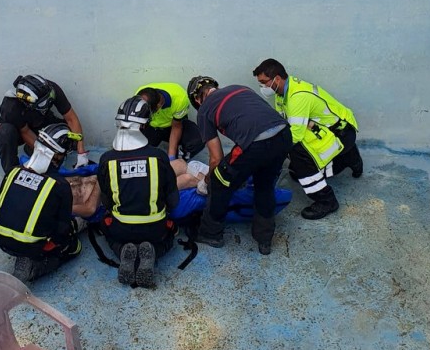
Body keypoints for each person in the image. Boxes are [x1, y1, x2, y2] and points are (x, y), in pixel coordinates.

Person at [187, 75, 292, 255]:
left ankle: (210, 233)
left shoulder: (204, 110)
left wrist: (207, 180)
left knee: (219, 182)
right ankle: (264, 240)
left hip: (254, 144)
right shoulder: (240, 87)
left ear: (197, 99)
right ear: (216, 86)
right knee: (264, 185)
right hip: (283, 136)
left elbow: (216, 158)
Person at [252, 58, 363, 220]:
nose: (262, 87)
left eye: (263, 82)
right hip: (336, 130)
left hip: (341, 133)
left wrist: (271, 155)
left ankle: (326, 201)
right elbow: (284, 123)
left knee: (298, 155)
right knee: (292, 155)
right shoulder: (282, 93)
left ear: (276, 78)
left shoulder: (297, 97)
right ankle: (350, 157)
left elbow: (294, 136)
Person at [97, 96, 180, 288]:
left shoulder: (106, 159)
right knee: (171, 234)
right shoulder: (158, 157)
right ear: (144, 126)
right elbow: (174, 201)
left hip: (121, 227)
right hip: (155, 228)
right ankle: (153, 250)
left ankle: (122, 249)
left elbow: (106, 201)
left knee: (104, 226)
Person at [0, 123, 82, 283]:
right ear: (59, 156)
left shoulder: (12, 172)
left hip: (0, 237)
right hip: (31, 246)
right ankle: (35, 267)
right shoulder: (59, 186)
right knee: (73, 246)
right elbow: (62, 230)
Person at [0, 74, 89, 173]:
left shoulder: (51, 88)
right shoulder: (11, 108)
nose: (48, 102)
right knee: (6, 132)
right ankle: (11, 172)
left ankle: (31, 149)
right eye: (44, 103)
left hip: (40, 121)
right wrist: (48, 152)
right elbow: (25, 131)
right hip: (19, 130)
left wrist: (81, 152)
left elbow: (71, 119)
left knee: (65, 135)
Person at [136, 82, 204, 160]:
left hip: (172, 126)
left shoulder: (180, 99)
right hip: (152, 127)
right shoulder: (140, 96)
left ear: (159, 106)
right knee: (138, 151)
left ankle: (180, 159)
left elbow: (176, 127)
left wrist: (171, 157)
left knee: (197, 139)